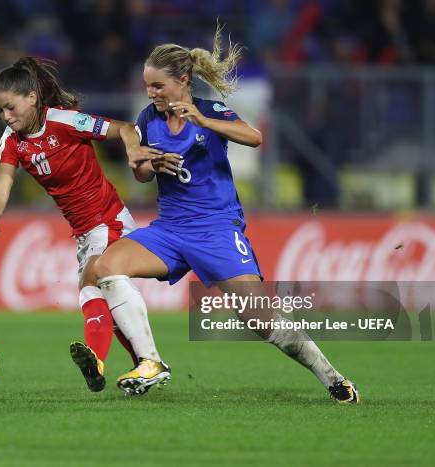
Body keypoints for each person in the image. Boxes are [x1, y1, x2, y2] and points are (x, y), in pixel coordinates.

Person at [95, 29, 360, 403]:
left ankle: (332, 377)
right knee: (107, 266)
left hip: (216, 229)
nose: (150, 93)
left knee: (259, 318)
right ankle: (151, 362)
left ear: (183, 81)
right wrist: (149, 162)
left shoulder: (209, 110)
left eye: (157, 86)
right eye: (147, 86)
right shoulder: (147, 118)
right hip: (170, 229)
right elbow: (139, 172)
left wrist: (203, 122)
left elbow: (253, 137)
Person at [0, 57, 159, 393]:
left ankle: (100, 363)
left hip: (109, 219)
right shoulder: (12, 141)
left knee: (93, 279)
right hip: (84, 231)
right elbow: (1, 185)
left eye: (11, 108)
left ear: (32, 97)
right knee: (96, 296)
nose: (6, 117)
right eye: (0, 111)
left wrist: (134, 151)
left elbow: (125, 128)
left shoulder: (64, 121)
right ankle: (142, 366)